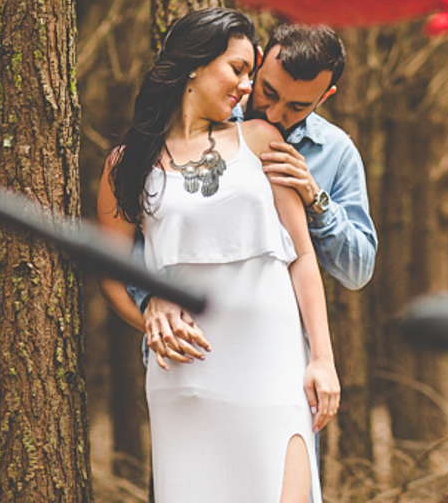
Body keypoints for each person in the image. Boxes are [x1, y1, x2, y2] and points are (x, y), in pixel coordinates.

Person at [99, 7, 339, 503]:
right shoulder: (128, 164)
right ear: (194, 64)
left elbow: (301, 259)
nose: (247, 88)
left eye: (251, 73)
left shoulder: (261, 140)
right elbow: (110, 272)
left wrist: (323, 358)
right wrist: (150, 314)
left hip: (273, 366)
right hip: (187, 377)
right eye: (238, 70)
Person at [139, 22, 377, 366]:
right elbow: (139, 230)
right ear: (259, 61)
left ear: (326, 97)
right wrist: (149, 297)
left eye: (297, 106)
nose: (274, 113)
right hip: (182, 352)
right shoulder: (196, 120)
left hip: (277, 355)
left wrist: (316, 199)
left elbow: (358, 270)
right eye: (269, 91)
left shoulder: (337, 153)